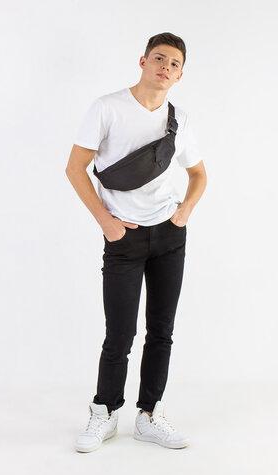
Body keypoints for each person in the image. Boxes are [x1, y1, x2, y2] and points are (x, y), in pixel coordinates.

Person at [65, 32, 207, 453]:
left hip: (169, 235)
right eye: (159, 58)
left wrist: (184, 213)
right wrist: (106, 223)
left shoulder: (179, 119)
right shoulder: (107, 107)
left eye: (175, 64)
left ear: (180, 76)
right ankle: (104, 412)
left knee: (161, 330)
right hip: (123, 238)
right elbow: (75, 168)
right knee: (120, 333)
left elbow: (199, 174)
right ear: (143, 61)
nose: (166, 67)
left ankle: (150, 415)